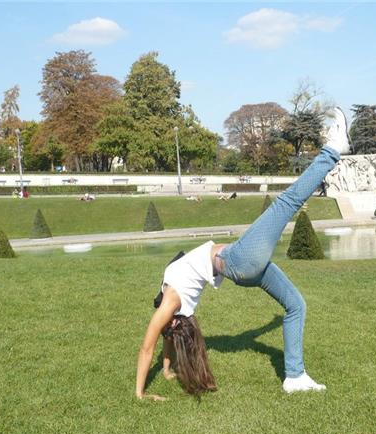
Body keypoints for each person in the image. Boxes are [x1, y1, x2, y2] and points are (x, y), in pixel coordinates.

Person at [135, 107, 351, 400]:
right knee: (286, 202)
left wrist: (168, 368)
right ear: (172, 320)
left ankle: (295, 376)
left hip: (242, 267)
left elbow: (167, 340)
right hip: (238, 260)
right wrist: (140, 394)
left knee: (295, 305)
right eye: (167, 324)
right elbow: (147, 346)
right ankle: (333, 149)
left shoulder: (173, 312)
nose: (163, 321)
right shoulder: (171, 301)